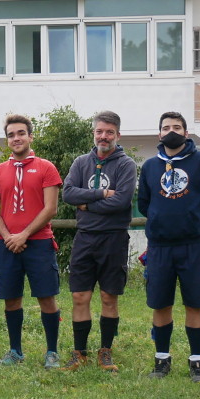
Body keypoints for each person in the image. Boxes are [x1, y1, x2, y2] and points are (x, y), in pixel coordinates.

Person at [137, 111, 200, 383]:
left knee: (195, 304)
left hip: (192, 246)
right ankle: (161, 360)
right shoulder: (151, 166)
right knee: (160, 304)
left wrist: (192, 217)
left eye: (177, 127)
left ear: (186, 133)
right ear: (159, 134)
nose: (171, 131)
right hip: (160, 248)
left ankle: (197, 362)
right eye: (166, 127)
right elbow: (144, 203)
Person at [60, 110, 138, 372]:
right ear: (93, 133)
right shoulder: (81, 162)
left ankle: (105, 351)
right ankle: (79, 352)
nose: (103, 137)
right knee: (80, 296)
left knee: (108, 297)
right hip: (85, 239)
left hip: (113, 239)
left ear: (118, 134)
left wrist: (87, 205)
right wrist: (102, 193)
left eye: (109, 132)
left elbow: (122, 201)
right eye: (99, 131)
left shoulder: (126, 165)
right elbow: (68, 194)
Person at [0, 114, 64, 367]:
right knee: (11, 298)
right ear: (7, 140)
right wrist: (9, 237)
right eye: (11, 135)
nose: (16, 138)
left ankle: (52, 351)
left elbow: (51, 208)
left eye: (21, 133)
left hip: (39, 242)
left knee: (46, 296)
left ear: (30, 136)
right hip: (6, 245)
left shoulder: (46, 167)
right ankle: (15, 351)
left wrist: (24, 235)